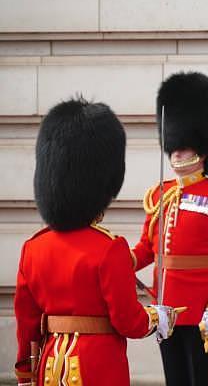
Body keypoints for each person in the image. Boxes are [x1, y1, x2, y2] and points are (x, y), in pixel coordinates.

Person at [14, 98, 177, 386]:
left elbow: (27, 325)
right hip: (97, 367)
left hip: (50, 367)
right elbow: (128, 320)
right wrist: (156, 317)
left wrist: (26, 375)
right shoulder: (109, 248)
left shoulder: (33, 248)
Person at [131, 72, 208, 386]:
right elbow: (146, 248)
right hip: (164, 305)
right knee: (175, 378)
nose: (177, 152)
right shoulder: (159, 194)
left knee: (201, 379)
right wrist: (117, 259)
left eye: (184, 147)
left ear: (202, 149)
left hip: (200, 308)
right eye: (174, 147)